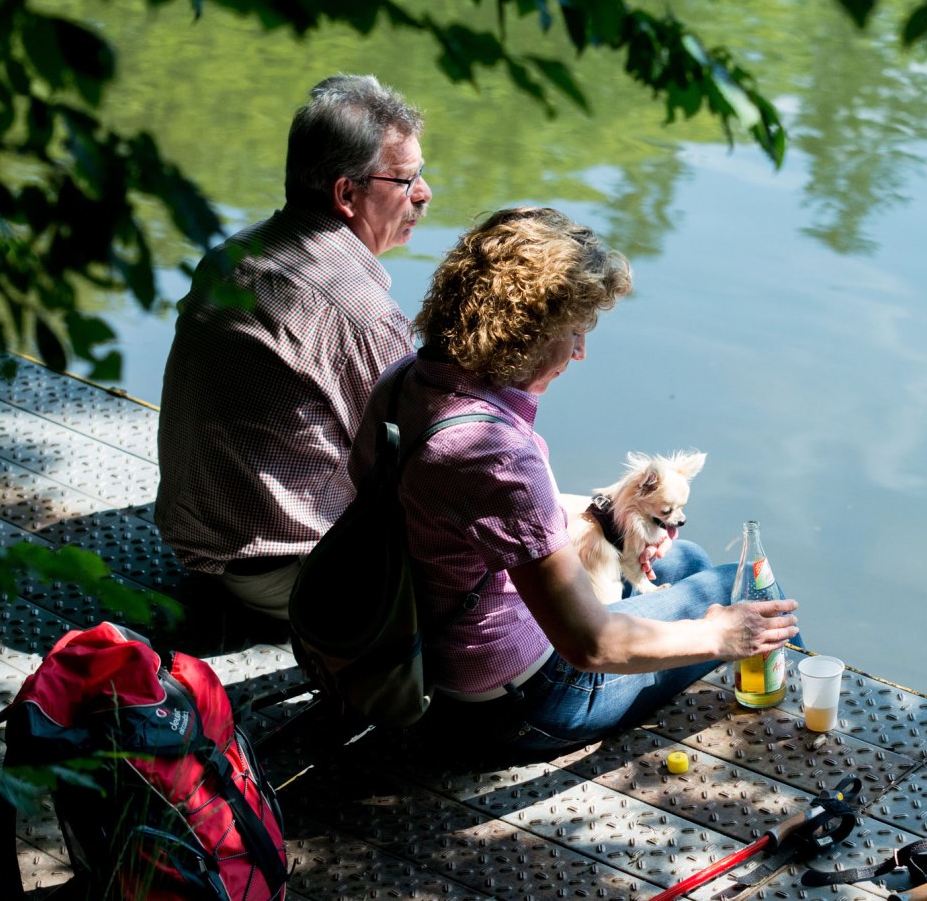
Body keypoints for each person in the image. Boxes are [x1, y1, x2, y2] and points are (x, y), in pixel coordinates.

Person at [350, 206, 799, 755]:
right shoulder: (497, 453)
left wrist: (603, 518)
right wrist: (718, 635)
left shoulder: (403, 382)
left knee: (685, 560)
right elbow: (590, 644)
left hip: (421, 647)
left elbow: (446, 515)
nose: (581, 351)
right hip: (516, 700)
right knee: (743, 591)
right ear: (525, 332)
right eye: (575, 331)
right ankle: (796, 742)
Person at [155, 74, 429, 621]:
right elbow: (423, 468)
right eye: (404, 180)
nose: (422, 193)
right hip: (293, 577)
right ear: (346, 194)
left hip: (207, 549)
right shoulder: (361, 312)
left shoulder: (234, 255)